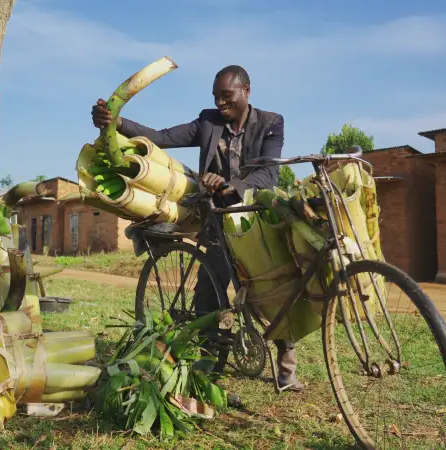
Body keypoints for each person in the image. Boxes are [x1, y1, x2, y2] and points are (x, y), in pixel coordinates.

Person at [91, 65, 305, 392]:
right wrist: (117, 123)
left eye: (227, 96)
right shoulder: (208, 121)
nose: (220, 102)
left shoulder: (271, 123)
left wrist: (231, 184)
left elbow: (267, 175)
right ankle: (207, 364)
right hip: (217, 219)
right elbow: (161, 137)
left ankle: (286, 365)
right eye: (216, 97)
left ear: (246, 91)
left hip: (254, 219)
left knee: (272, 289)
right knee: (210, 292)